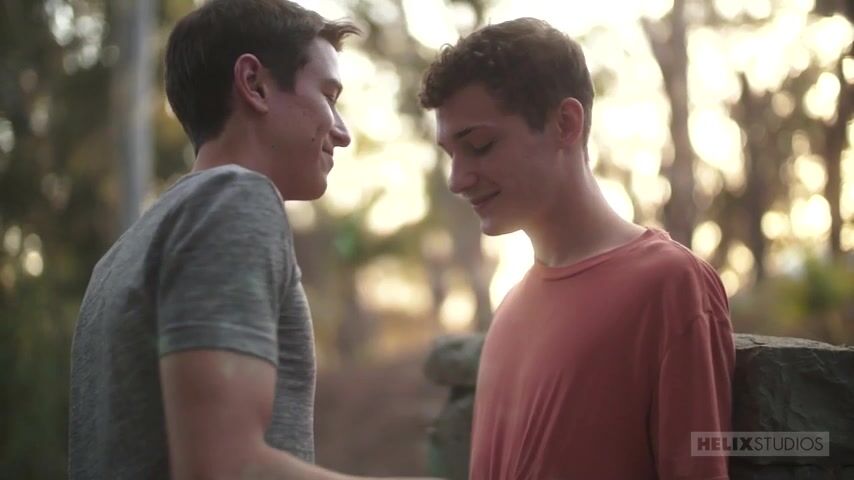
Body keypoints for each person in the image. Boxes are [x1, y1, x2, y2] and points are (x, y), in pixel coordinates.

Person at [69, 2, 439, 479]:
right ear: (254, 84)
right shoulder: (235, 199)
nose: (342, 132)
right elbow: (225, 466)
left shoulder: (120, 258)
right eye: (328, 96)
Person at [419, 18, 734, 480]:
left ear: (565, 124)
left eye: (480, 145)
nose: (457, 179)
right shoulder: (512, 305)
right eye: (451, 154)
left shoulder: (669, 285)